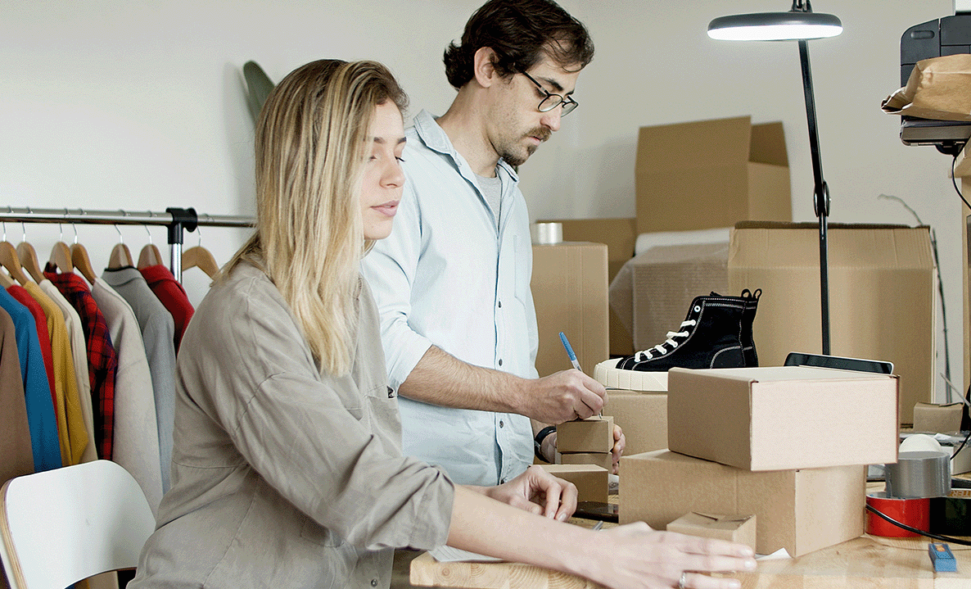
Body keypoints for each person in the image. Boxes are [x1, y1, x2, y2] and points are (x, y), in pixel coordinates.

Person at [127, 59, 754, 589]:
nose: (396, 176)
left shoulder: (346, 298)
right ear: (308, 167)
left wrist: (488, 498)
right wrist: (601, 554)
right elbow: (358, 485)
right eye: (368, 155)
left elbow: (369, 467)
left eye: (398, 152)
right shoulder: (246, 317)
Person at [360, 0, 623, 487]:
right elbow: (382, 345)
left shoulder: (511, 198)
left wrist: (548, 432)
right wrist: (527, 395)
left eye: (566, 102)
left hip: (512, 496)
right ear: (487, 67)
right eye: (548, 93)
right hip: (422, 505)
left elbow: (511, 360)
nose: (555, 121)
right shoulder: (399, 178)